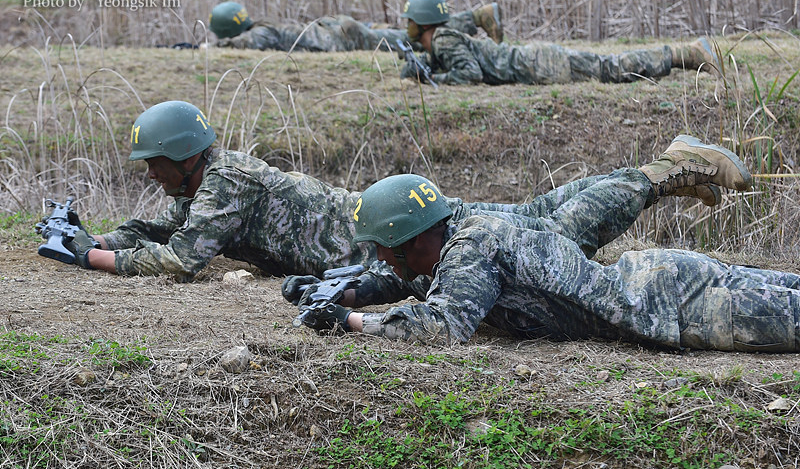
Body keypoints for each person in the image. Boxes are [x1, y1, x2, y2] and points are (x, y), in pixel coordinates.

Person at [56, 101, 747, 283]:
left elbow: (182, 261)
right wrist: (99, 237)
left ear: (181, 158)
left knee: (552, 230)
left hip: (402, 237)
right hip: (393, 234)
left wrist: (87, 258)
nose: (149, 175)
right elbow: (167, 234)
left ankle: (668, 173)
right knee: (538, 213)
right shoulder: (206, 181)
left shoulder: (226, 181)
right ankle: (668, 168)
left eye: (154, 163)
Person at [298, 172, 800, 353]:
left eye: (382, 248)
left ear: (404, 239)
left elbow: (444, 324)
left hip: (682, 305)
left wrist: (350, 321)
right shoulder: (461, 237)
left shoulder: (471, 250)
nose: (381, 258)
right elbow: (428, 282)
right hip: (669, 281)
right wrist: (348, 291)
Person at [398, 0, 719, 86]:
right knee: (607, 67)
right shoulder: (442, 38)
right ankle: (684, 55)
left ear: (422, 21)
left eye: (410, 20)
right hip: (535, 61)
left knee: (610, 69)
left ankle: (684, 55)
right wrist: (421, 65)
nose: (407, 26)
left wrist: (432, 79)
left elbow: (470, 74)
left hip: (539, 66)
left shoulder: (443, 39)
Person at [209, 0, 503, 53]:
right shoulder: (263, 25)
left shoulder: (259, 33)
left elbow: (251, 44)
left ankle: (475, 17)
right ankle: (474, 18)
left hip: (339, 38)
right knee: (395, 34)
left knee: (408, 37)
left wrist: (209, 47)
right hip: (339, 29)